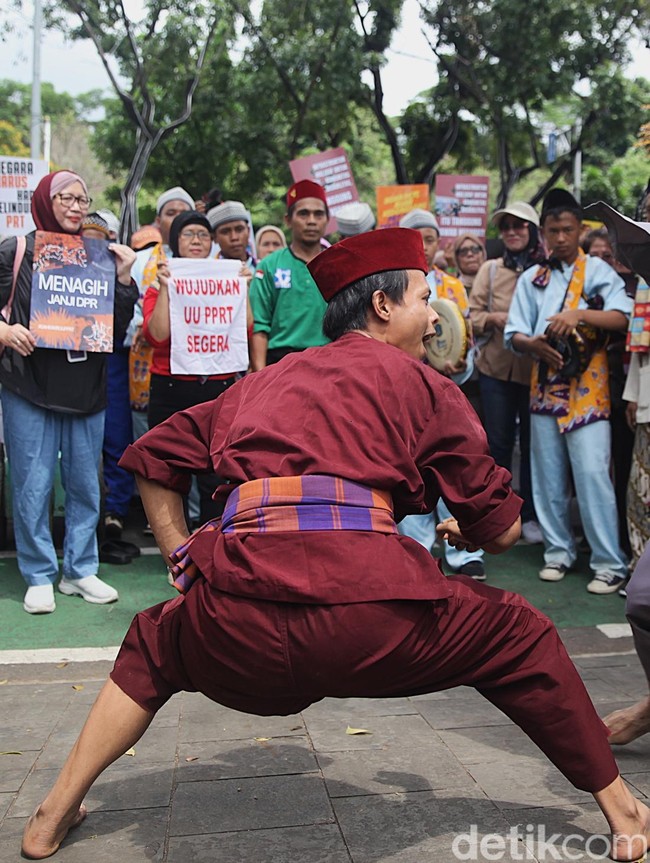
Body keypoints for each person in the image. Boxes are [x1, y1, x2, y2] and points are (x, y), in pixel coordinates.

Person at [20, 228, 650, 863]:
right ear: (383, 306)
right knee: (523, 635)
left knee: (155, 643)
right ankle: (624, 814)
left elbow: (155, 456)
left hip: (233, 625)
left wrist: (183, 556)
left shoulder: (262, 382)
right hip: (371, 619)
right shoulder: (428, 387)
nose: (434, 315)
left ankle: (52, 812)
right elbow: (502, 532)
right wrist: (464, 525)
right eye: (425, 298)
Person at [0, 170, 138, 614]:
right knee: (32, 483)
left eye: (83, 199)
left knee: (84, 483)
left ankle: (79, 569)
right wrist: (5, 332)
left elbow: (114, 330)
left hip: (86, 387)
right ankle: (38, 573)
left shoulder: (100, 255)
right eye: (67, 198)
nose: (77, 207)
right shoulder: (16, 249)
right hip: (28, 384)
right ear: (44, 200)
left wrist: (122, 278)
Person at [505, 188, 632, 594]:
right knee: (547, 477)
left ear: (580, 230)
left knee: (594, 474)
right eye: (553, 230)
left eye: (567, 229)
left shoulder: (598, 271)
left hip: (588, 391)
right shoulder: (532, 278)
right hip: (544, 385)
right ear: (541, 233)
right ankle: (558, 552)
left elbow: (622, 316)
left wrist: (578, 313)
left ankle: (609, 562)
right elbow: (513, 333)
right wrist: (532, 344)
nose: (560, 237)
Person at [398, 207, 486, 579]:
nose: (424, 245)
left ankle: (465, 553)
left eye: (429, 238)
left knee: (452, 463)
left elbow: (460, 340)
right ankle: (414, 550)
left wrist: (454, 364)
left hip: (447, 390)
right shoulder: (393, 285)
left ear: (438, 242)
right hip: (404, 391)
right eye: (416, 238)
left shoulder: (452, 286)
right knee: (412, 465)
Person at [142, 210, 242, 523]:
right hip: (171, 388)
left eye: (202, 235)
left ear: (212, 243)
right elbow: (157, 336)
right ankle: (177, 554)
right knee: (170, 473)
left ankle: (212, 547)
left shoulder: (229, 279)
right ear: (175, 242)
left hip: (218, 387)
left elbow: (247, 330)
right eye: (188, 234)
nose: (196, 240)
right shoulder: (157, 286)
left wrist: (243, 291)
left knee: (216, 475)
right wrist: (166, 289)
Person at [470, 201, 546, 546]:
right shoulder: (489, 270)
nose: (513, 232)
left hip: (537, 372)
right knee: (497, 444)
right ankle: (502, 516)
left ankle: (530, 515)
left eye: (520, 226)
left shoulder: (548, 269)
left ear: (532, 232)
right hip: (496, 368)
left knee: (535, 446)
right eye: (506, 227)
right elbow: (471, 316)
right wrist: (495, 318)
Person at [249, 179, 329, 370]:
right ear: (288, 220)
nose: (311, 220)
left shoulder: (340, 263)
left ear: (327, 219)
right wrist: (260, 378)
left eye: (318, 214)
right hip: (281, 363)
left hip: (330, 361)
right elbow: (259, 327)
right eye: (303, 214)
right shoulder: (269, 265)